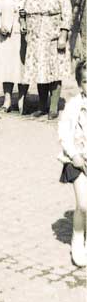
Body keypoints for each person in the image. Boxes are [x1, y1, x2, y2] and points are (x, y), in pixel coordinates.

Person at [23, 0, 72, 120]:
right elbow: (23, 12)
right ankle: (42, 106)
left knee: (54, 71)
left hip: (53, 38)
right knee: (40, 71)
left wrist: (63, 35)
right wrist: (25, 26)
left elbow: (67, 13)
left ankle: (53, 106)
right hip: (36, 39)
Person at [58, 60, 87, 266]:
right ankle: (77, 238)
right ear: (80, 83)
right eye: (86, 81)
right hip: (77, 159)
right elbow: (64, 132)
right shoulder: (74, 104)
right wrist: (74, 155)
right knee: (84, 204)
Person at [0, 0, 32, 113]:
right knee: (8, 67)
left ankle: (22, 99)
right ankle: (7, 100)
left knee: (23, 68)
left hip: (25, 38)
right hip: (7, 38)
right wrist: (0, 27)